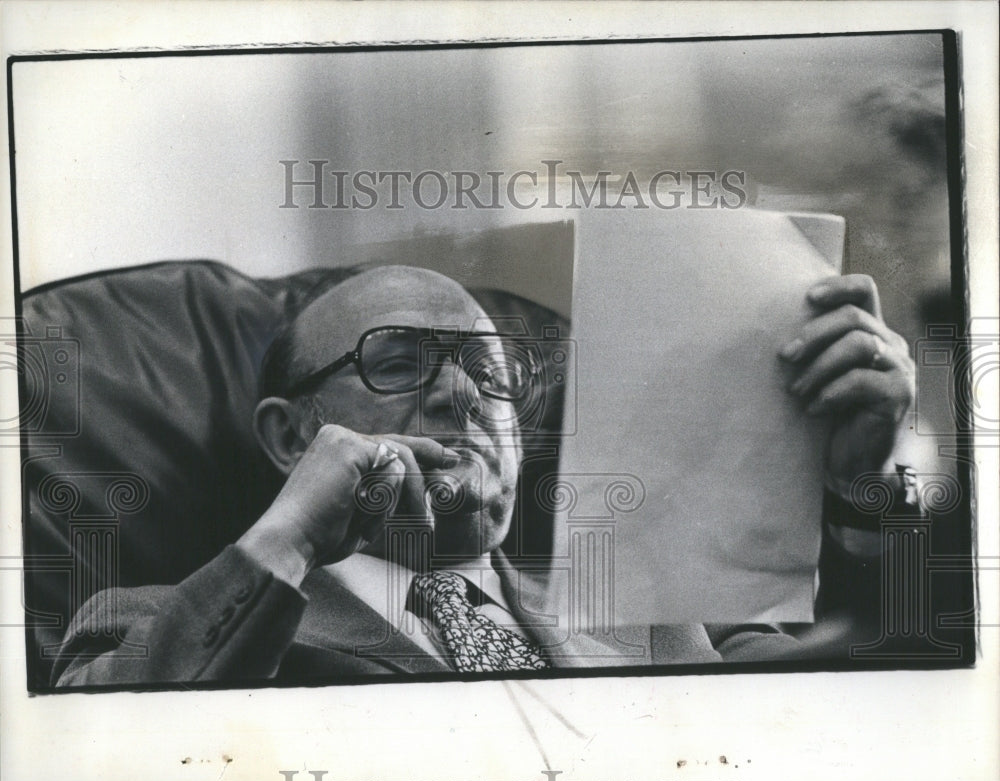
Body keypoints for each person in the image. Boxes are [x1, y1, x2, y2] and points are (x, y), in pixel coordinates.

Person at [52, 265, 916, 686]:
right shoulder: (147, 623)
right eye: (399, 362)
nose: (464, 393)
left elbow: (861, 705)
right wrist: (288, 536)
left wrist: (857, 487)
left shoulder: (657, 615)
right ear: (290, 435)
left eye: (492, 372)